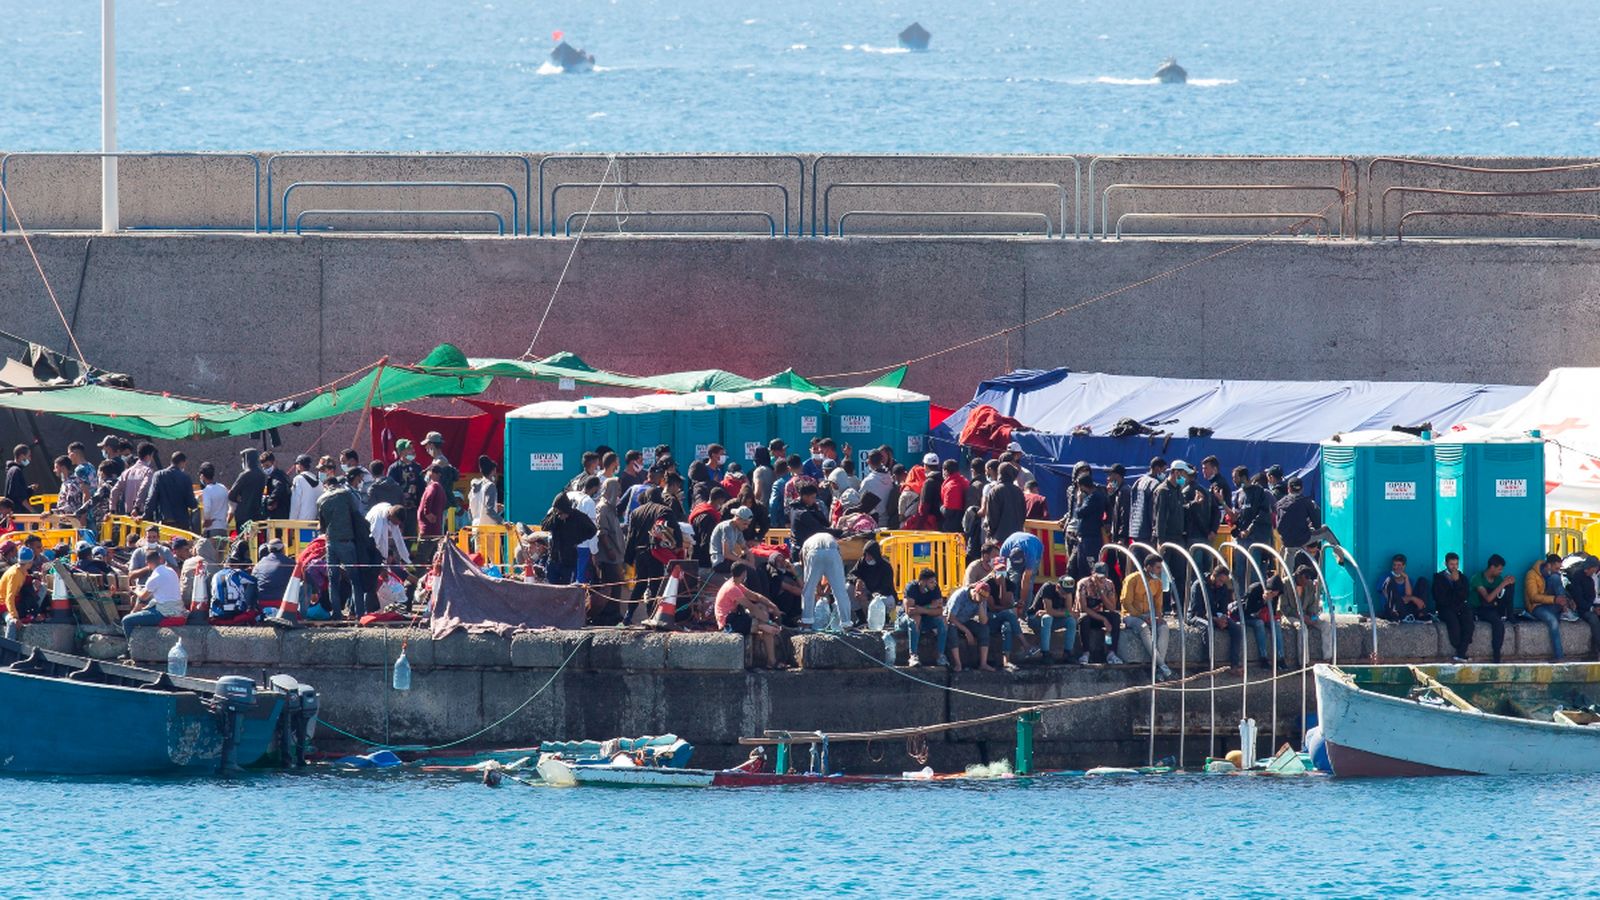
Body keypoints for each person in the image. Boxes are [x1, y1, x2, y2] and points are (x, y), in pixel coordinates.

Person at [316, 471, 365, 619]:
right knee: (356, 580)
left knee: (333, 580)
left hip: (330, 543)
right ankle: (359, 614)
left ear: (326, 485)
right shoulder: (345, 494)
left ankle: (336, 613)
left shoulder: (321, 499)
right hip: (347, 542)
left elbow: (322, 527)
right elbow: (356, 515)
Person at [715, 562, 781, 669]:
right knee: (764, 622)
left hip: (736, 617)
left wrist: (773, 606)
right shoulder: (732, 588)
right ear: (744, 573)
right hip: (728, 622)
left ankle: (771, 661)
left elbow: (755, 597)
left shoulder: (736, 584)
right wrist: (768, 621)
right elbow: (751, 607)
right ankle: (763, 628)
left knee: (761, 608)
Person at [1121, 554, 1172, 679]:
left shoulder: (1158, 583)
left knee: (1163, 628)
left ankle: (1159, 669)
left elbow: (1158, 605)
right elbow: (1126, 603)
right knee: (1144, 628)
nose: (1160, 571)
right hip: (1131, 615)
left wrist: (1158, 617)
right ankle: (1162, 665)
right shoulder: (1132, 579)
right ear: (1149, 567)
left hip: (1149, 614)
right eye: (1158, 568)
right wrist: (1141, 617)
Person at [1189, 564, 1245, 672]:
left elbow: (1223, 608)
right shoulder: (1198, 585)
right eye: (1219, 580)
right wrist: (1215, 620)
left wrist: (1223, 618)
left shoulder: (1222, 587)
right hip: (1197, 616)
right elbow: (1198, 610)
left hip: (1215, 616)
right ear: (1213, 576)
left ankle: (1234, 664)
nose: (1221, 584)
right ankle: (1207, 663)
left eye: (1223, 582)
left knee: (1237, 629)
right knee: (1207, 627)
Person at [121, 552, 183, 637]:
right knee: (147, 605)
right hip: (177, 608)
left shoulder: (155, 577)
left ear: (147, 563)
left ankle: (131, 646)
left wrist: (136, 590)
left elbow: (143, 596)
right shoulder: (171, 571)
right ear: (160, 559)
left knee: (126, 620)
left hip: (164, 613)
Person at [800, 530, 852, 630]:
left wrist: (817, 586)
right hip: (833, 552)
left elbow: (804, 565)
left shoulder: (806, 544)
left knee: (808, 591)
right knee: (840, 591)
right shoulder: (832, 539)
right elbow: (834, 574)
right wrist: (825, 586)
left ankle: (807, 622)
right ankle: (846, 623)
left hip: (813, 552)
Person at [541, 492, 597, 586]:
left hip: (569, 560)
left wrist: (578, 540)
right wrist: (556, 518)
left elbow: (592, 530)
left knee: (566, 590)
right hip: (554, 559)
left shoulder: (578, 516)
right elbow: (544, 526)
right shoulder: (554, 516)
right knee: (550, 588)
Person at [898, 567, 949, 667]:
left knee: (943, 620)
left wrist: (924, 609)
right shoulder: (911, 588)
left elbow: (939, 610)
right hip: (905, 621)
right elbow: (910, 611)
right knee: (916, 617)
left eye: (934, 581)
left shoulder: (935, 589)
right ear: (922, 582)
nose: (934, 584)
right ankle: (913, 656)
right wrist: (930, 607)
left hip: (925, 619)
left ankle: (940, 655)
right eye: (931, 582)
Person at [1468, 554, 1515, 664]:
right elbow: (1488, 598)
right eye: (1499, 569)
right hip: (1479, 608)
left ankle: (1509, 614)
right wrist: (1503, 584)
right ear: (1492, 567)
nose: (1500, 572)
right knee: (1497, 624)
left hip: (1493, 607)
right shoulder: (1477, 578)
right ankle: (1496, 655)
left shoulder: (1498, 579)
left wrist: (1508, 583)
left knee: (1510, 587)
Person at [1526, 553, 1572, 661]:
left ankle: (1565, 607)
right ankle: (1559, 657)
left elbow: (1559, 588)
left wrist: (1569, 600)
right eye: (1556, 568)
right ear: (1548, 566)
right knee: (1553, 621)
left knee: (1556, 578)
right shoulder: (1531, 575)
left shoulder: (1552, 576)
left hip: (1550, 603)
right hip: (1536, 607)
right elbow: (1533, 597)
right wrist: (1554, 600)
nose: (1557, 571)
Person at [1078, 562, 1124, 664]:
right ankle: (1086, 652)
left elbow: (1112, 607)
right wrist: (1103, 619)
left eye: (1103, 577)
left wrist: (1101, 591)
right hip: (1088, 614)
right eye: (1098, 577)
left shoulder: (1109, 584)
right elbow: (1084, 608)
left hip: (1100, 613)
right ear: (1093, 573)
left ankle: (1111, 652)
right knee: (1084, 619)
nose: (1101, 579)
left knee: (1115, 617)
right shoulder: (1083, 584)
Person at [1432, 552, 1474, 662]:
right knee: (1454, 625)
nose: (1454, 567)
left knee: (1469, 622)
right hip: (1445, 608)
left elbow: (1464, 595)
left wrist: (1457, 582)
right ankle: (1458, 649)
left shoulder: (1462, 578)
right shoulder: (1439, 578)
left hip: (1460, 607)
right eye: (1451, 564)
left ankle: (1461, 653)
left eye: (1456, 564)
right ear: (1446, 563)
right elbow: (1440, 597)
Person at [1028, 576, 1079, 664]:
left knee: (1071, 621)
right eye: (1063, 592)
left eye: (1068, 592)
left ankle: (1068, 653)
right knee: (1047, 618)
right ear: (1058, 587)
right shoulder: (1048, 588)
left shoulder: (1068, 593)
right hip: (1035, 619)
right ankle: (1045, 653)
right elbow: (1050, 611)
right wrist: (1055, 612)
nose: (1065, 595)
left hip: (1054, 619)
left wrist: (1057, 612)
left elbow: (1068, 611)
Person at [1066, 470, 1108, 578]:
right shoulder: (1094, 496)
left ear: (1083, 486)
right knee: (1078, 566)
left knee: (1089, 567)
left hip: (1091, 538)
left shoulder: (1094, 497)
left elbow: (1080, 513)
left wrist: (1079, 501)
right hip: (1085, 537)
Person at [946, 579, 993, 672]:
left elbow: (983, 621)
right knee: (952, 632)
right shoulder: (960, 595)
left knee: (984, 629)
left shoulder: (982, 599)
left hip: (966, 621)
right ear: (975, 591)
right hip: (953, 621)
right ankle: (958, 664)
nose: (983, 599)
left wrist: (980, 604)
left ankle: (983, 663)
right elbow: (950, 618)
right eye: (981, 597)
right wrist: (967, 631)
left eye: (985, 598)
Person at [142, 451, 198, 530]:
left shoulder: (158, 475)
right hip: (182, 523)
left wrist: (145, 515)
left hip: (165, 522)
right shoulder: (185, 477)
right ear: (182, 462)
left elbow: (151, 498)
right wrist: (196, 502)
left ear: (171, 461)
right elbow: (191, 503)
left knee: (164, 542)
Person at [1274, 477, 1321, 567]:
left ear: (1288, 489)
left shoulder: (1280, 503)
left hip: (1286, 540)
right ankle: (1339, 553)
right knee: (1326, 532)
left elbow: (1277, 524)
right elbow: (1317, 522)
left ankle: (1287, 577)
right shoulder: (1307, 502)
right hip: (1302, 538)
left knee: (1289, 552)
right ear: (1302, 489)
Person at [849, 539, 897, 628]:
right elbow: (852, 574)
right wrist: (857, 581)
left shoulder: (885, 566)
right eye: (866, 555)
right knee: (848, 588)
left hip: (881, 594)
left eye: (869, 555)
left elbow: (886, 588)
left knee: (887, 600)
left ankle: (884, 619)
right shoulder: (862, 562)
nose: (867, 558)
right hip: (866, 590)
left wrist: (868, 597)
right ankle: (861, 618)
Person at [208, 544, 260, 624]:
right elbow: (254, 581)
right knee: (251, 585)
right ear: (237, 565)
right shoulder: (237, 572)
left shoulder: (216, 575)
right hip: (235, 613)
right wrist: (249, 572)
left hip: (217, 614)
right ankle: (253, 609)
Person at [1563, 556, 1600, 662]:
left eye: (1589, 569)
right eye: (1586, 568)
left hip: (1597, 603)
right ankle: (1597, 650)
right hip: (1585, 607)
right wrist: (1592, 608)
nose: (1586, 571)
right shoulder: (1579, 576)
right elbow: (1579, 599)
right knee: (1593, 619)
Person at [388, 438, 425, 538]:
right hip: (399, 509)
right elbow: (391, 488)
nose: (413, 451)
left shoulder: (417, 467)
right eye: (409, 448)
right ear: (401, 452)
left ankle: (409, 553)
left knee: (411, 536)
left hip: (413, 508)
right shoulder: (394, 468)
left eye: (412, 448)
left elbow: (422, 487)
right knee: (398, 535)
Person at [1, 547, 42, 637]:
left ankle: (35, 614)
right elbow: (9, 598)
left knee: (41, 589)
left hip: (15, 602)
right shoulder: (15, 574)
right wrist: (15, 617)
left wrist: (33, 579)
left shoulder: (21, 571)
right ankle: (9, 649)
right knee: (12, 623)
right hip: (4, 606)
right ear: (30, 563)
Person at [1377, 554, 1430, 622]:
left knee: (1422, 581)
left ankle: (1421, 615)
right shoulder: (1385, 578)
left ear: (1404, 566)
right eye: (1394, 565)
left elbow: (1408, 596)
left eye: (1399, 565)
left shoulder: (1408, 579)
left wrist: (1406, 578)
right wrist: (1413, 598)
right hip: (1394, 610)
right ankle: (1394, 616)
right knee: (1390, 580)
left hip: (1406, 609)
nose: (1396, 567)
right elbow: (1390, 598)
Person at [1127, 457, 1167, 546]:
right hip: (1147, 532)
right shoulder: (1155, 484)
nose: (1165, 474)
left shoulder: (1138, 481)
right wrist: (1154, 531)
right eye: (1164, 470)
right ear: (1157, 468)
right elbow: (1153, 510)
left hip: (1135, 530)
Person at [982, 463, 1026, 544]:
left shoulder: (995, 491)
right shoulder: (1019, 491)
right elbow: (1023, 514)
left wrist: (989, 534)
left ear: (999, 474)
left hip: (999, 539)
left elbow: (992, 517)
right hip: (1017, 537)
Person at [228, 448, 267, 528]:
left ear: (246, 461)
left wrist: (239, 498)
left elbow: (231, 495)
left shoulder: (245, 475)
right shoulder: (262, 475)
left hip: (243, 516)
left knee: (244, 539)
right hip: (257, 514)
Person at [252, 540, 295, 613]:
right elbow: (305, 577)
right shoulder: (290, 562)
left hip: (261, 601)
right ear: (282, 549)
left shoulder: (259, 563)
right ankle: (303, 615)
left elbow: (253, 579)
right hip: (281, 602)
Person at [417, 464, 449, 562]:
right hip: (435, 529)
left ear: (434, 473)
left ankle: (419, 577)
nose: (426, 475)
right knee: (433, 558)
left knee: (422, 558)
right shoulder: (439, 488)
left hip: (428, 530)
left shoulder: (433, 486)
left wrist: (427, 513)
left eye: (427, 472)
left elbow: (428, 498)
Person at [366, 501, 413, 567]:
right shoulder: (378, 520)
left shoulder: (391, 513)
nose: (396, 525)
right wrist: (381, 560)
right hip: (368, 541)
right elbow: (375, 539)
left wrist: (407, 559)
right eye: (395, 522)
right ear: (392, 516)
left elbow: (399, 539)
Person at [709, 505, 753, 573]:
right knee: (746, 569)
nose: (746, 527)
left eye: (748, 524)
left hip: (728, 560)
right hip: (720, 562)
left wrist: (749, 555)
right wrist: (745, 562)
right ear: (738, 519)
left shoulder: (738, 529)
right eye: (745, 524)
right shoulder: (727, 527)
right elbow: (726, 554)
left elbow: (744, 547)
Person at [199, 462, 230, 538]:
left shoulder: (207, 490)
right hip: (223, 528)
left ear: (202, 476)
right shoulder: (223, 487)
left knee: (212, 549)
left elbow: (207, 509)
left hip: (212, 529)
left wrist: (206, 521)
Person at [289, 454, 322, 521]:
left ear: (299, 465)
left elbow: (295, 504)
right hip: (315, 523)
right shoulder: (318, 481)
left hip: (301, 524)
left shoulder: (298, 479)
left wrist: (291, 522)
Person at [261, 451, 293, 519]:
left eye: (267, 466)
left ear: (274, 463)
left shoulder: (277, 476)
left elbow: (279, 486)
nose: (265, 469)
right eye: (263, 467)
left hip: (279, 513)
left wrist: (270, 501)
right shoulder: (281, 475)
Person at [4, 444, 34, 515]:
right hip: (17, 514)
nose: (30, 459)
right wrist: (33, 511)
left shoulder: (13, 470)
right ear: (22, 456)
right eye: (29, 456)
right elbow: (18, 495)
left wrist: (29, 490)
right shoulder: (16, 471)